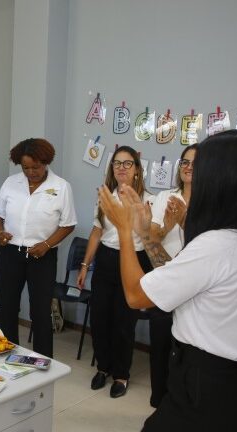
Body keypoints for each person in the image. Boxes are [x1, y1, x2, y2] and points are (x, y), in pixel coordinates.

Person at [98, 129, 237, 432]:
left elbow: (136, 294)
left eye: (202, 167)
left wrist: (126, 232)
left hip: (209, 386)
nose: (193, 173)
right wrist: (146, 231)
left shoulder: (218, 244)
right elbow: (174, 270)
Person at [76, 145, 153, 398]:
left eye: (127, 163)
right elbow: (97, 231)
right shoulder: (105, 198)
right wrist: (86, 265)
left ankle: (121, 374)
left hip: (134, 260)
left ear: (137, 170)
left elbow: (152, 238)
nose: (121, 168)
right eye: (117, 163)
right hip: (106, 259)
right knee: (99, 319)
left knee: (124, 322)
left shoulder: (148, 200)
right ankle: (103, 367)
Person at [0, 138, 76, 358]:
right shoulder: (11, 183)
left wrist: (47, 244)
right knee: (8, 307)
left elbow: (68, 224)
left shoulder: (61, 187)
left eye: (35, 167)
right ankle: (8, 356)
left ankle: (42, 360)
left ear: (45, 162)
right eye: (25, 167)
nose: (30, 172)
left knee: (40, 311)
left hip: (42, 256)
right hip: (10, 253)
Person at [144, 143, 197, 407]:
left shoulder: (213, 199)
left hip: (196, 286)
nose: (189, 168)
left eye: (195, 163)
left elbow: (207, 241)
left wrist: (185, 219)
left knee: (188, 349)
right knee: (161, 343)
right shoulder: (166, 196)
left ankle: (182, 402)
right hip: (165, 277)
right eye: (185, 162)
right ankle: (158, 400)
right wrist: (168, 224)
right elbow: (153, 238)